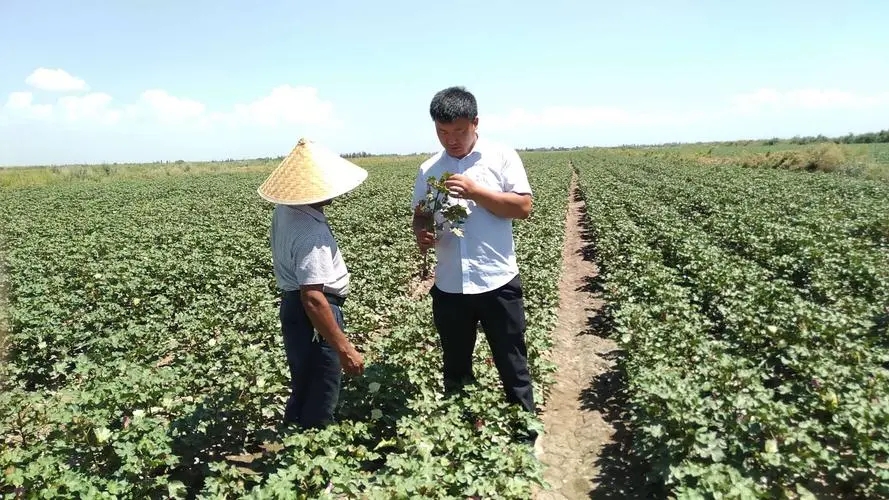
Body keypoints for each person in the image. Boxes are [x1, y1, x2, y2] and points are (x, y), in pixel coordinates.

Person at [411, 86, 538, 444]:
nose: (450, 140)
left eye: (458, 132)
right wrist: (422, 234)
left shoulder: (501, 156)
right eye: (442, 132)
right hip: (450, 286)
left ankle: (525, 437)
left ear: (476, 123)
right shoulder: (429, 170)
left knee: (512, 363)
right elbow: (421, 215)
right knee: (455, 365)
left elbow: (523, 208)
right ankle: (462, 433)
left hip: (498, 281)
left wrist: (475, 192)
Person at [257, 137, 367, 430]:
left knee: (303, 380)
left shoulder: (285, 210)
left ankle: (293, 435)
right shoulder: (310, 233)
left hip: (292, 309)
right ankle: (314, 451)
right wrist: (345, 349)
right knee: (322, 389)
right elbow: (314, 299)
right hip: (315, 315)